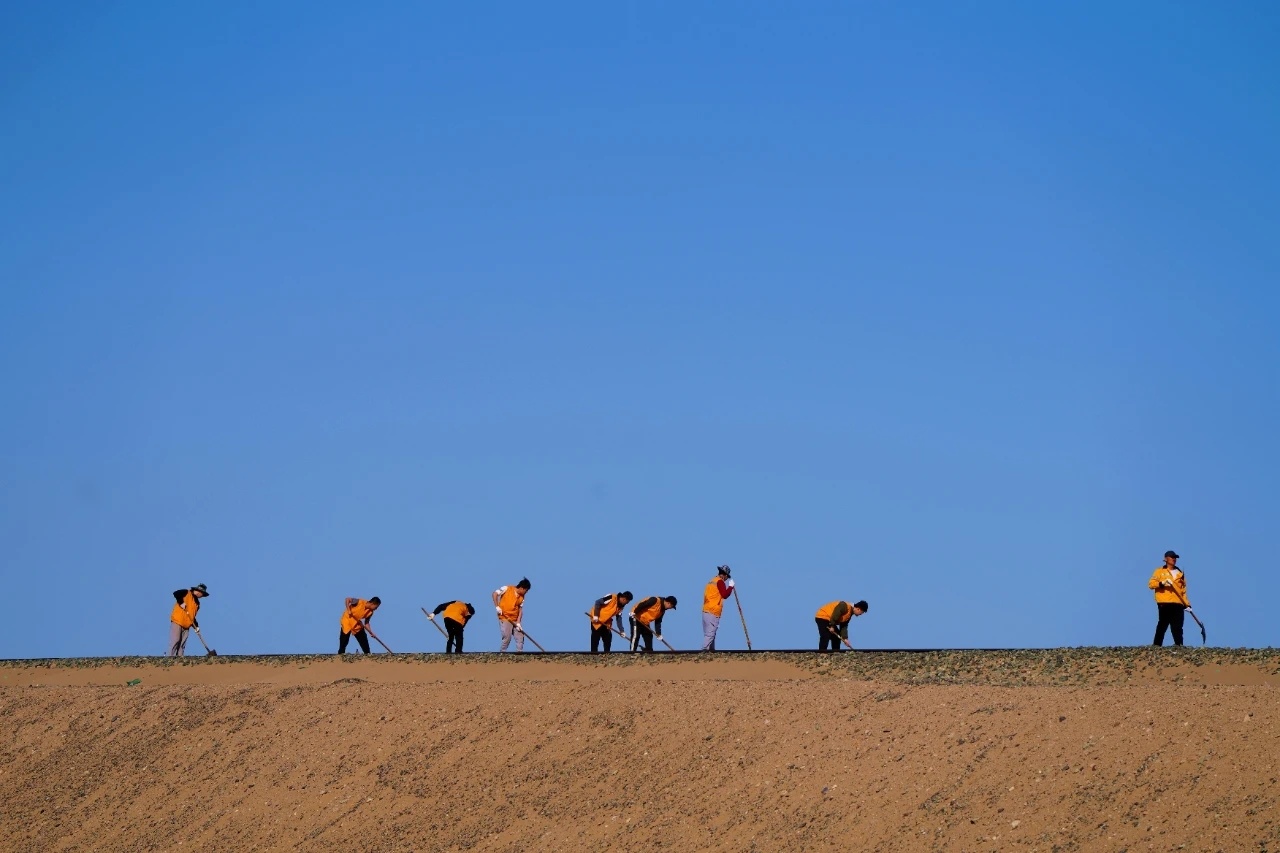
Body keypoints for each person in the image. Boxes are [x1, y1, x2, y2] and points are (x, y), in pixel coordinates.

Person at [1149, 550, 1190, 646]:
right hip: (1164, 602)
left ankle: (1179, 645)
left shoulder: (1180, 573)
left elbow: (1183, 591)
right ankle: (1156, 645)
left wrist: (1187, 604)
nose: (1174, 559)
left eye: (1175, 557)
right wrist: (1161, 583)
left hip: (1178, 603)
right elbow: (1151, 584)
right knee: (1163, 624)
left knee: (1178, 626)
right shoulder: (1159, 571)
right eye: (1172, 557)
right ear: (1166, 559)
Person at [167, 583, 209, 656]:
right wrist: (181, 602)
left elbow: (192, 616)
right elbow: (176, 593)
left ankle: (180, 658)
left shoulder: (197, 604)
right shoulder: (186, 592)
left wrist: (196, 626)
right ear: (199, 592)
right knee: (175, 641)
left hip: (187, 625)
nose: (202, 596)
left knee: (182, 644)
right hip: (178, 621)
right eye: (203, 594)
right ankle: (170, 658)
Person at [492, 578, 531, 652]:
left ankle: (519, 653)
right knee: (507, 637)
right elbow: (494, 594)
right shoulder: (507, 588)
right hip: (505, 618)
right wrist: (497, 607)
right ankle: (502, 653)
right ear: (522, 588)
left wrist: (519, 622)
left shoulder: (522, 597)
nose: (526, 592)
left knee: (520, 636)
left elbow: (520, 610)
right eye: (526, 590)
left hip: (515, 619)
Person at [701, 565, 735, 651]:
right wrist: (730, 587)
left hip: (706, 610)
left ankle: (711, 651)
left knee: (710, 633)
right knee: (710, 634)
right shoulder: (720, 582)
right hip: (713, 611)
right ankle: (704, 650)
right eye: (727, 577)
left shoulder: (711, 581)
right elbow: (725, 595)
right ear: (725, 575)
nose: (727, 579)